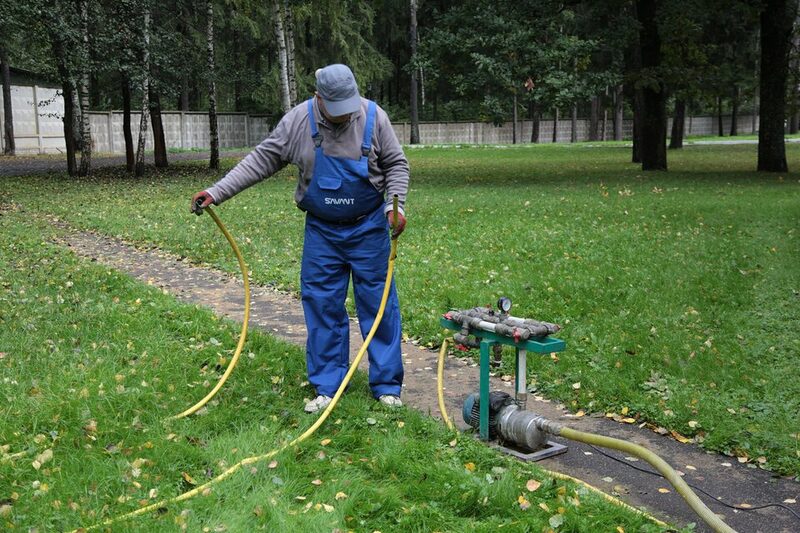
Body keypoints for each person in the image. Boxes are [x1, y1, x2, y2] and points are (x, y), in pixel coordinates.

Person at [191, 64, 408, 413]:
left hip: (368, 228)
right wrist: (217, 192)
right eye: (337, 108)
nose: (345, 115)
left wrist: (394, 206)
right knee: (322, 304)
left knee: (379, 305)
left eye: (348, 107)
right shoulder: (297, 122)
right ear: (318, 97)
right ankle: (328, 385)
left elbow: (397, 165)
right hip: (322, 231)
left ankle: (387, 387)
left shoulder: (373, 117)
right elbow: (261, 160)